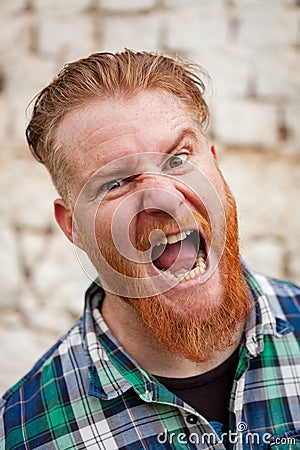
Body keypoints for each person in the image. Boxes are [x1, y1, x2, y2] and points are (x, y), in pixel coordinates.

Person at [0, 50, 299, 450]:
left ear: (214, 164)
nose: (165, 201)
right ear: (72, 227)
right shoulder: (22, 433)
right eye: (114, 184)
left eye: (178, 159)